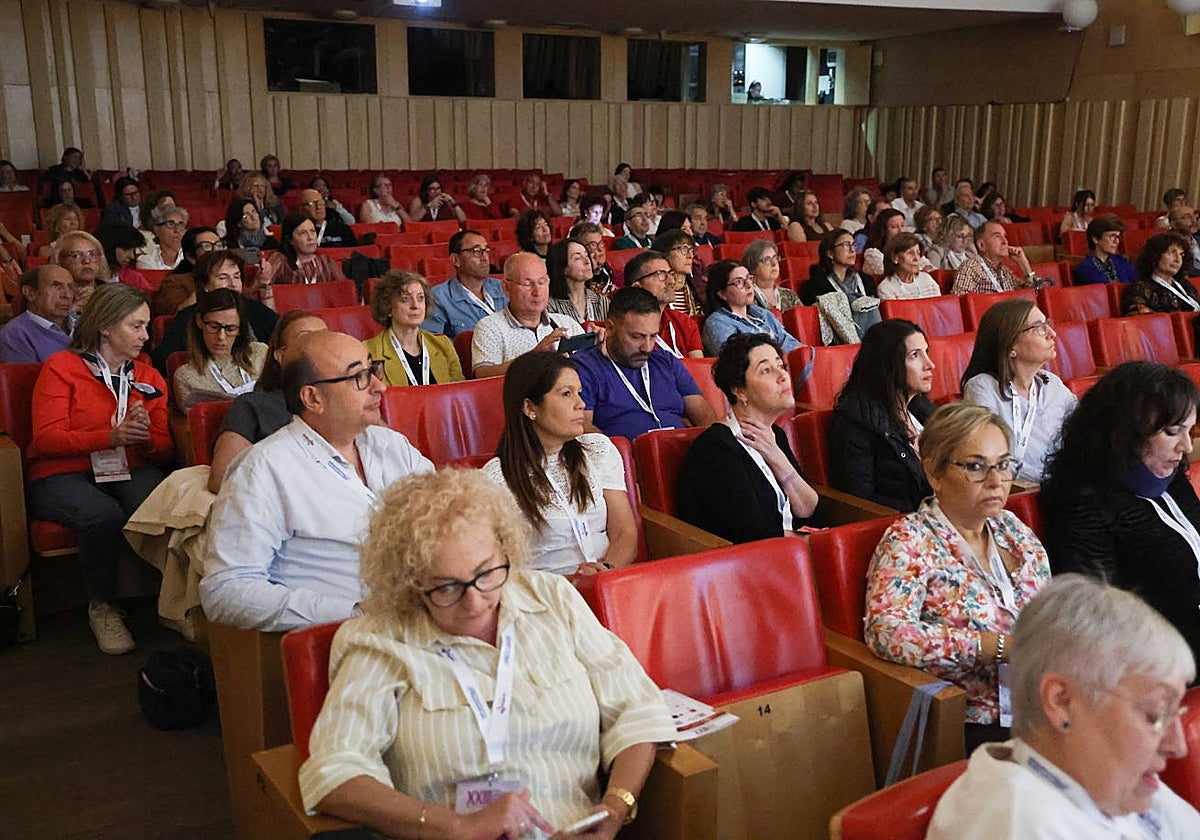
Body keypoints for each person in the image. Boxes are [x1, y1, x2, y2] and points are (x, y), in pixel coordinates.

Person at [296, 467, 674, 838]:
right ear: (411, 583)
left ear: (505, 548)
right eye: (446, 587)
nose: (475, 603)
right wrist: (456, 827)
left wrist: (615, 806)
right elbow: (336, 772)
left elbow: (636, 707)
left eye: (486, 573)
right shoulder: (380, 639)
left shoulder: (552, 598)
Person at [927, 573, 1200, 839]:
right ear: (1062, 701)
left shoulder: (1108, 777)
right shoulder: (1018, 823)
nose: (1178, 746)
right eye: (1154, 715)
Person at [201, 330, 434, 631]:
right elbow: (225, 591)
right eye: (359, 377)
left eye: (372, 369)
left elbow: (445, 520)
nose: (380, 387)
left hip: (430, 611)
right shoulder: (264, 469)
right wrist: (353, 614)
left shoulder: (391, 445)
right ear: (313, 398)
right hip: (346, 640)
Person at [865, 402, 1052, 752]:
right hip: (970, 719)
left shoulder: (1012, 529)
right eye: (976, 467)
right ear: (935, 472)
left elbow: (1050, 610)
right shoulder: (910, 539)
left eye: (1003, 465)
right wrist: (994, 647)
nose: (997, 482)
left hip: (1042, 703)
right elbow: (887, 633)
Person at [27, 284, 171, 654]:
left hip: (128, 466)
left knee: (160, 503)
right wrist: (109, 436)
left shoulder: (148, 377)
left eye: (146, 326)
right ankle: (103, 605)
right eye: (135, 326)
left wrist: (144, 439)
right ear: (105, 326)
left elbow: (163, 448)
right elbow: (46, 439)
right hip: (61, 472)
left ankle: (175, 598)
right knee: (102, 515)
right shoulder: (62, 367)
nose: (145, 335)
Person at [1040, 361, 1200, 669]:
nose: (1185, 446)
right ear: (1126, 432)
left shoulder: (1172, 478)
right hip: (1160, 653)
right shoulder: (1083, 502)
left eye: (1189, 431)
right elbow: (1100, 615)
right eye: (1171, 432)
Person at [482, 352, 638, 575]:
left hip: (608, 581)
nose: (581, 404)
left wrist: (604, 572)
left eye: (579, 393)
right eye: (566, 394)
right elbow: (500, 569)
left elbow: (624, 533)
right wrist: (573, 585)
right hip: (547, 597)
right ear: (530, 408)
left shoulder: (598, 449)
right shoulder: (496, 479)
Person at [676, 332, 821, 542]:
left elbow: (810, 510)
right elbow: (753, 533)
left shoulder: (775, 435)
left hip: (790, 552)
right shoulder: (715, 448)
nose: (783, 376)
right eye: (766, 370)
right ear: (739, 391)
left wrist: (775, 455)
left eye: (781, 366)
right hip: (745, 564)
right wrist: (816, 542)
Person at [574, 286, 715, 440]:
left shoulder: (666, 361)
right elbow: (583, 428)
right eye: (637, 337)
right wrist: (620, 456)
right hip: (626, 459)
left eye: (653, 336)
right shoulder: (584, 367)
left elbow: (706, 419)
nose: (647, 347)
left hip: (683, 454)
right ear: (610, 328)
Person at [961, 299, 1076, 484]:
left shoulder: (1052, 383)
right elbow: (992, 456)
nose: (1052, 333)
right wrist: (1053, 480)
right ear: (1011, 344)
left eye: (1048, 324)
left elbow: (1083, 431)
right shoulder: (983, 388)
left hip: (1065, 485)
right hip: (1018, 490)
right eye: (1039, 328)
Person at [828, 319, 936, 511]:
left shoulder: (924, 412)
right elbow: (861, 502)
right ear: (888, 364)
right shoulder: (856, 424)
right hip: (903, 527)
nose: (930, 365)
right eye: (915, 355)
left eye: (926, 353)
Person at [152, 249, 278, 373]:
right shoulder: (189, 316)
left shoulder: (254, 309)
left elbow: (282, 337)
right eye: (223, 278)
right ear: (205, 285)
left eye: (237, 277)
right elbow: (163, 359)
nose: (233, 284)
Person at [471, 252, 584, 379]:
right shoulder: (490, 327)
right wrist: (534, 356)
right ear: (507, 287)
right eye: (527, 284)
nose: (537, 292)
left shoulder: (566, 323)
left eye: (542, 282)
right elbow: (482, 374)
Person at [173, 288, 268, 411]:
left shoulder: (261, 353)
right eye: (214, 327)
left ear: (240, 329)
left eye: (230, 329)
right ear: (199, 321)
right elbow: (195, 424)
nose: (221, 337)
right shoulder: (186, 376)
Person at [364, 270, 463, 387]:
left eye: (420, 298)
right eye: (405, 299)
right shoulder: (368, 352)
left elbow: (459, 393)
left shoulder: (443, 345)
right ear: (388, 307)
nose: (415, 306)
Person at [702, 260, 800, 357]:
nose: (749, 285)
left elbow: (791, 344)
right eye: (739, 282)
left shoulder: (764, 314)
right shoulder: (717, 323)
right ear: (722, 294)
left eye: (749, 278)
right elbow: (739, 360)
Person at [422, 230, 509, 339]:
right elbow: (433, 346)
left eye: (486, 250)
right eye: (476, 251)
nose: (485, 258)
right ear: (456, 260)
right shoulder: (438, 298)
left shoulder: (503, 288)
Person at [624, 249, 704, 358]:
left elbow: (698, 369)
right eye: (660, 275)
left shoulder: (684, 322)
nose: (671, 281)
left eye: (670, 273)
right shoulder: (626, 330)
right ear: (637, 287)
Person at [255, 214, 347, 296]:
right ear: (290, 240)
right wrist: (262, 281)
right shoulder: (280, 260)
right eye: (303, 233)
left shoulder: (325, 261)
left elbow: (345, 291)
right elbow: (255, 295)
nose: (310, 238)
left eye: (312, 231)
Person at [0, 265, 75, 362]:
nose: (67, 295)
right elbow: (27, 377)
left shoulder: (83, 324)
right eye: (56, 286)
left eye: (70, 287)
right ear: (30, 293)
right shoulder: (15, 335)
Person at [152, 226, 225, 316]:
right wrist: (206, 286)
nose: (215, 251)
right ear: (191, 258)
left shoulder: (233, 276)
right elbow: (173, 316)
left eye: (219, 245)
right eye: (206, 246)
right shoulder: (175, 282)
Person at [1122, 231, 1200, 315]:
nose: (1178, 260)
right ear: (1155, 255)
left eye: (1181, 254)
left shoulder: (1184, 284)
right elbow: (1140, 319)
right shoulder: (1140, 287)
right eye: (1172, 252)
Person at [952, 221, 1037, 295]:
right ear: (982, 245)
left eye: (1004, 236)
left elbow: (1031, 296)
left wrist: (1025, 265)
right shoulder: (970, 267)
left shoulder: (1005, 271)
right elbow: (959, 302)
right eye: (997, 236)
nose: (1005, 242)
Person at [547, 238, 609, 324]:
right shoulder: (550, 306)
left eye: (587, 255)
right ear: (562, 267)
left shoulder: (601, 302)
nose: (587, 261)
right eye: (577, 258)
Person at [651, 229, 704, 318]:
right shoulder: (656, 290)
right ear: (665, 253)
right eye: (684, 249)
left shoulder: (698, 286)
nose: (690, 256)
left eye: (691, 250)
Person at [1072, 214, 1136, 286]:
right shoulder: (1086, 269)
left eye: (1117, 237)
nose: (1116, 241)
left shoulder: (1122, 262)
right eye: (1112, 236)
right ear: (1096, 239)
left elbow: (1135, 283)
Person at [877, 232, 941, 299]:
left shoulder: (927, 279)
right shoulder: (886, 288)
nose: (916, 258)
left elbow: (939, 307)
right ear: (895, 258)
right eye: (910, 253)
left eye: (918, 253)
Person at [93, 221, 152, 292]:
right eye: (125, 249)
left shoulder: (134, 278)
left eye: (133, 250)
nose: (132, 256)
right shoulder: (87, 277)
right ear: (108, 247)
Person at [743, 238, 799, 311]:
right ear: (753, 267)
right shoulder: (748, 296)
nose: (774, 263)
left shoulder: (790, 295)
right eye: (767, 260)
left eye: (775, 257)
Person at [223, 198, 279, 265]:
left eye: (254, 211)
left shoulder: (272, 243)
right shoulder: (230, 245)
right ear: (238, 223)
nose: (253, 217)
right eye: (247, 215)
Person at [136, 204, 188, 271]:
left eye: (181, 225)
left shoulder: (192, 258)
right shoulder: (146, 260)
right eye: (170, 224)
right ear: (157, 230)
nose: (177, 230)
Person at [572, 221, 617, 293]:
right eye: (593, 245)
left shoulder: (607, 269)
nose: (600, 249)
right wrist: (591, 270)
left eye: (601, 243)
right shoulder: (575, 276)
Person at [861, 208, 906, 276]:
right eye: (894, 227)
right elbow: (893, 275)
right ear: (883, 230)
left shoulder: (909, 249)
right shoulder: (873, 253)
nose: (901, 231)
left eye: (902, 225)